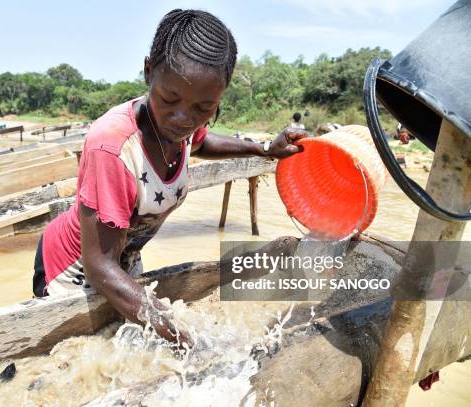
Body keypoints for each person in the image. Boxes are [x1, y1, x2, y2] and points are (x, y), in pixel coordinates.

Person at [32, 9, 306, 347]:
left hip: (123, 260)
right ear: (148, 71)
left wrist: (264, 148)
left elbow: (201, 139)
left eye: (203, 108)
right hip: (73, 268)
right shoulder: (113, 147)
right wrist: (182, 337)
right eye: (169, 99)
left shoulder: (184, 128)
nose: (183, 120)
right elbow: (98, 266)